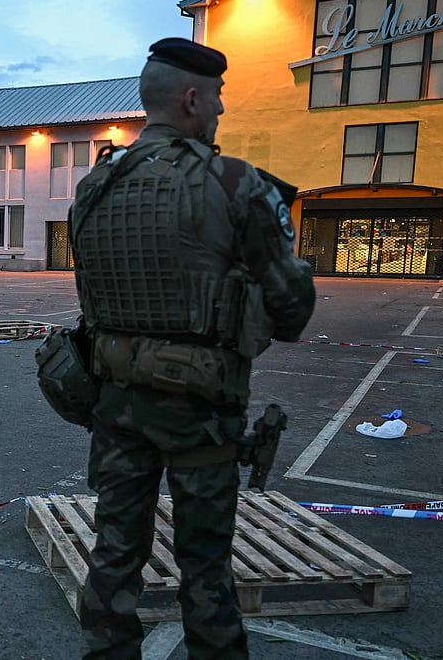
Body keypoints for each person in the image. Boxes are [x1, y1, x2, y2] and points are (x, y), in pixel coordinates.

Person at [70, 39, 316, 658]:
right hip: (200, 411)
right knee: (205, 564)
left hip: (116, 401)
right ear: (192, 97)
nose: (221, 112)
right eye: (218, 99)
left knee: (114, 554)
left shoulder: (95, 184)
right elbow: (291, 312)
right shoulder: (235, 182)